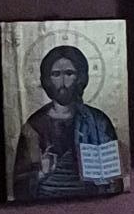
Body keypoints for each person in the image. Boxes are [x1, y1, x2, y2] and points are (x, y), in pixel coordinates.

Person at [9, 40, 125, 200]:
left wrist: (108, 178)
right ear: (47, 80)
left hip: (92, 203)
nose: (63, 82)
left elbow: (115, 182)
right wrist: (41, 173)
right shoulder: (34, 126)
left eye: (69, 74)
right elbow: (19, 186)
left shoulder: (98, 121)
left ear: (80, 78)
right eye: (56, 74)